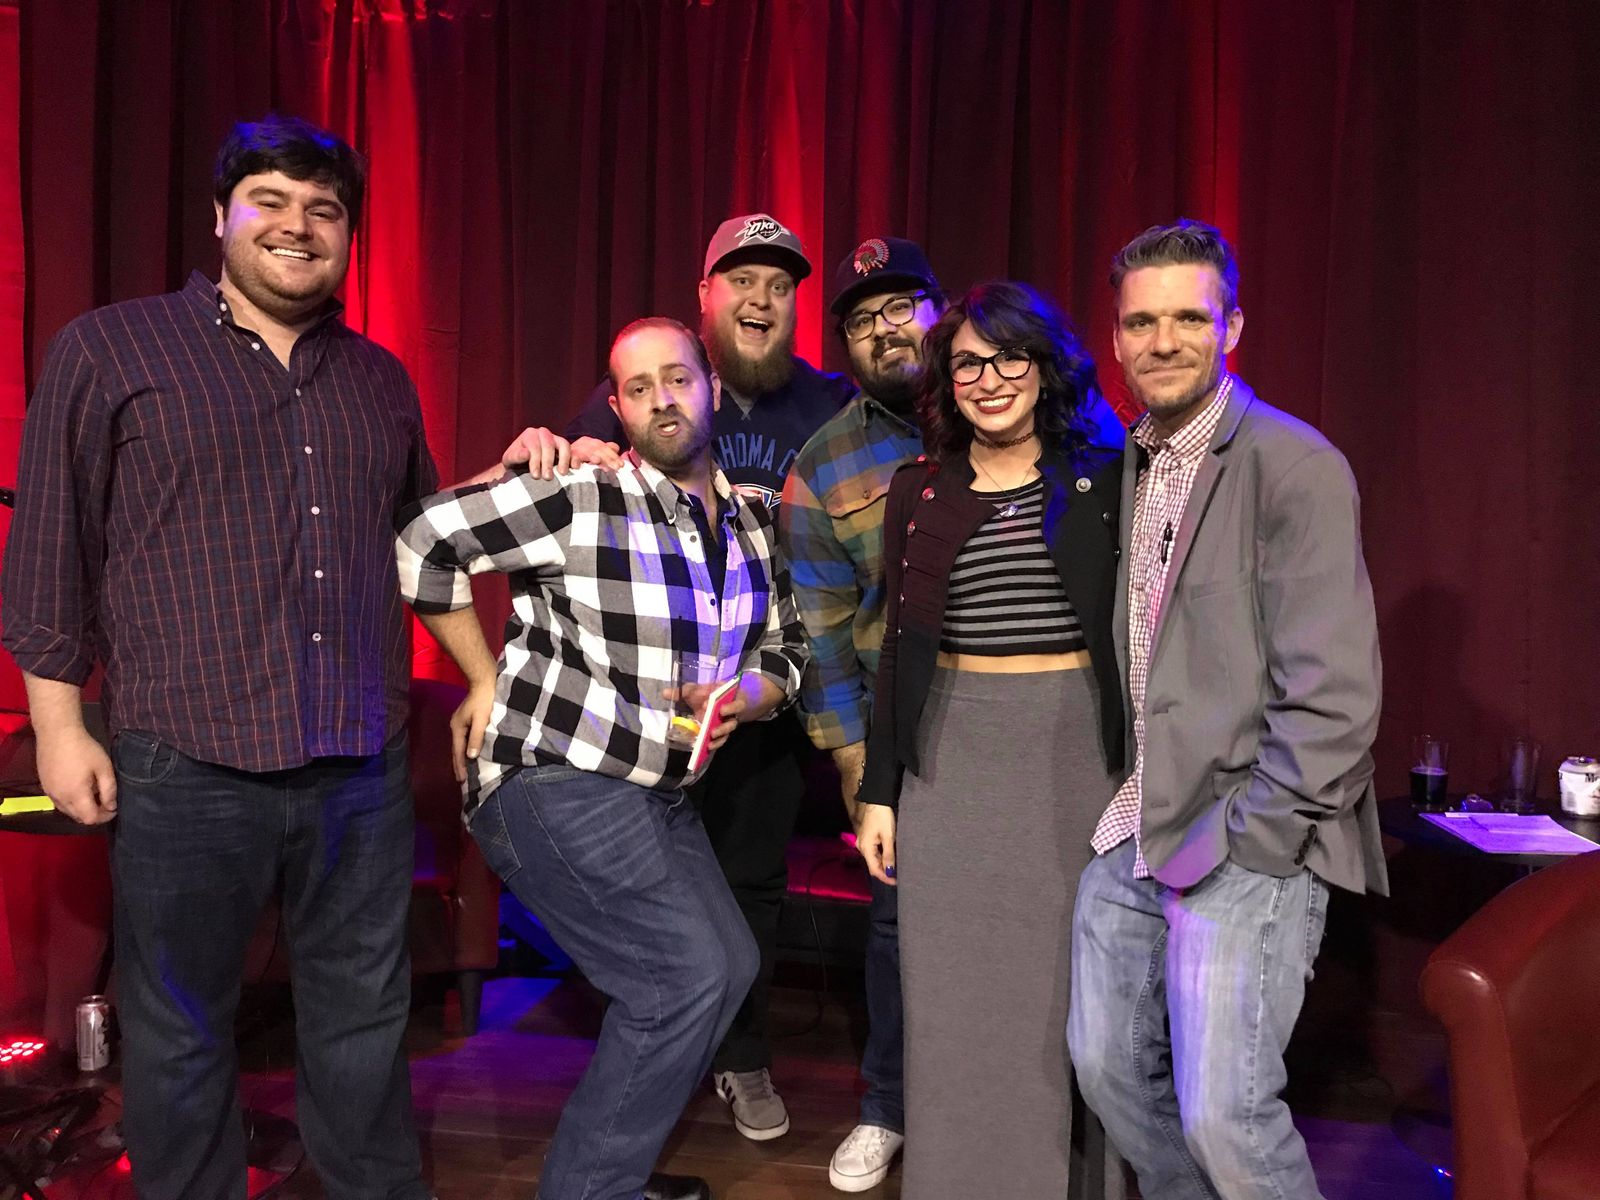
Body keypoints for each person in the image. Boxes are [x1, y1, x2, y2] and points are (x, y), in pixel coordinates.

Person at [1, 115, 435, 1199]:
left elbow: (423, 543)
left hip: (358, 757)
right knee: (180, 1025)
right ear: (220, 218)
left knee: (364, 1016)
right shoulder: (111, 349)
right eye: (270, 202)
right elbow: (50, 544)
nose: (298, 226)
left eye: (324, 210)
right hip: (183, 757)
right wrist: (57, 727)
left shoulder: (382, 379)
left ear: (349, 235)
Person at [395, 317, 810, 1200]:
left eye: (678, 378)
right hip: (555, 775)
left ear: (710, 387)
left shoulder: (750, 523)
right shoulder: (585, 496)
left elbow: (788, 647)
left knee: (728, 966)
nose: (663, 399)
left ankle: (609, 1173)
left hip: (657, 791)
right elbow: (423, 538)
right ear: (618, 408)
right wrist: (481, 677)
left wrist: (745, 695)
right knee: (679, 981)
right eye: (638, 387)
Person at [1067, 220, 1385, 1200]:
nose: (1163, 341)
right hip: (1138, 820)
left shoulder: (1292, 464)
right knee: (1107, 1070)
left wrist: (1260, 835)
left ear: (1232, 327)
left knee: (1225, 1116)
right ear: (1116, 338)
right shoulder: (1128, 462)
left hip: (1244, 827)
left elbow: (1333, 694)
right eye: (1141, 322)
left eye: (1189, 319)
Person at [568, 214, 852, 1140]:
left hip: (764, 694)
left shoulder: (830, 406)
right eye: (741, 280)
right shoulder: (656, 388)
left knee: (750, 881)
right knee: (650, 882)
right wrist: (551, 445)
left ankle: (742, 1055)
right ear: (706, 298)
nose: (761, 298)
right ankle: (655, 1054)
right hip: (648, 704)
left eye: (780, 284)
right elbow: (568, 480)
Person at [854, 281, 1127, 1199]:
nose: (990, 379)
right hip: (951, 768)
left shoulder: (1105, 478)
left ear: (1046, 368)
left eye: (1010, 357)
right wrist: (880, 791)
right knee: (952, 1006)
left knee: (1066, 1003)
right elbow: (899, 651)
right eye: (968, 363)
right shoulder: (917, 491)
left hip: (1076, 762)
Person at [778, 236, 944, 1191]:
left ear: (939, 310)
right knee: (897, 926)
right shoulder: (824, 463)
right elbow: (823, 630)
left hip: (1029, 722)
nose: (886, 329)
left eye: (901, 305)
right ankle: (888, 1106)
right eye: (861, 320)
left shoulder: (1009, 405)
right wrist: (852, 763)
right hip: (902, 736)